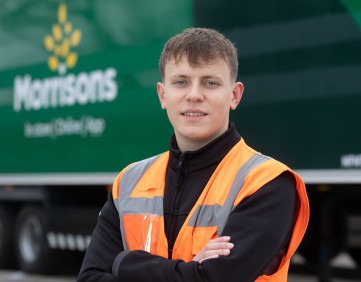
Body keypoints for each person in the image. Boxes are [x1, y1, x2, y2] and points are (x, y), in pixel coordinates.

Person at [77, 27, 309, 282]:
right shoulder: (129, 182)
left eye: (210, 83)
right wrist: (190, 271)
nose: (194, 95)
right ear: (162, 95)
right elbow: (90, 277)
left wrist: (124, 263)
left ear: (234, 95)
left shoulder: (267, 183)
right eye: (181, 82)